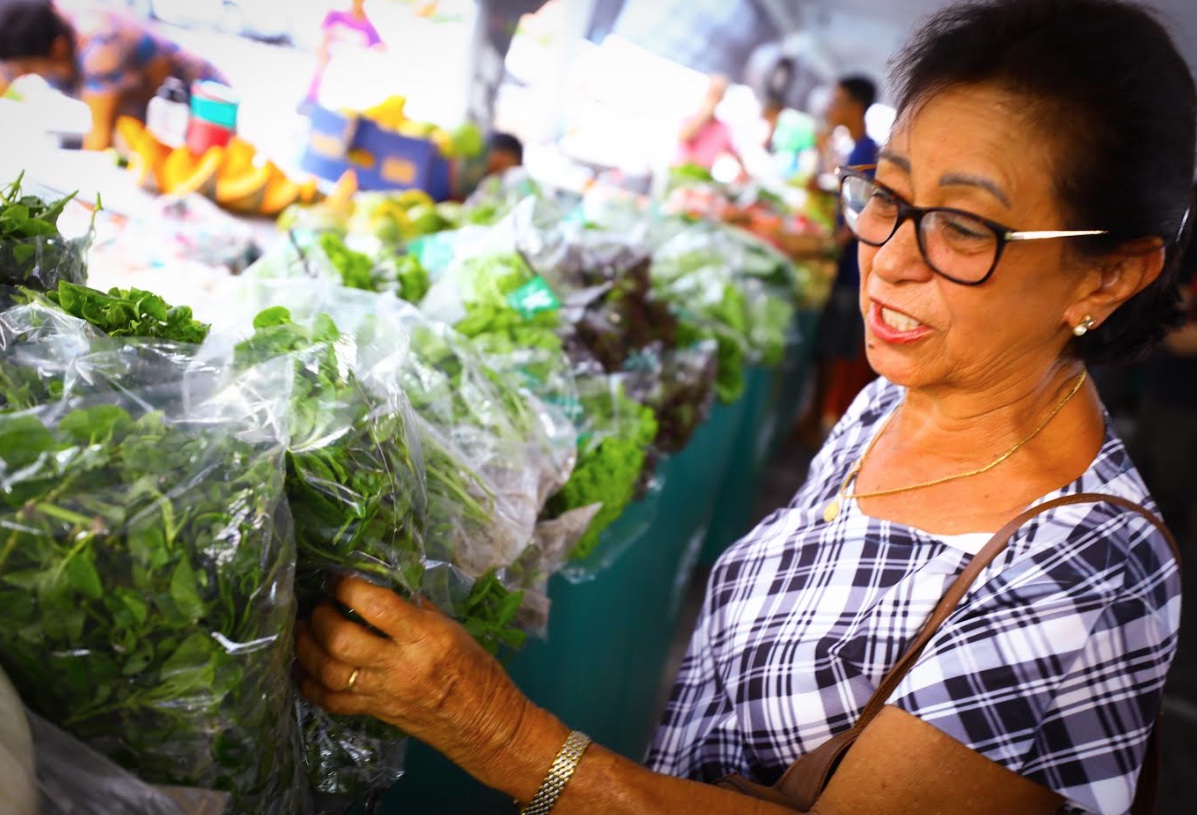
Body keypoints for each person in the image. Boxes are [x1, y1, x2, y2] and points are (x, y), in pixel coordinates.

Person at [295, 1, 1192, 813]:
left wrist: (493, 730)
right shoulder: (897, 402)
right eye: (886, 192)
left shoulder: (1081, 569)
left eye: (961, 227)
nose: (886, 256)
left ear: (1109, 273)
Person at [0, 0, 226, 150]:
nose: (17, 76)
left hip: (203, 106)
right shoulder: (21, 40)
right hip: (142, 121)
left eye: (27, 69)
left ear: (57, 48)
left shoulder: (101, 45)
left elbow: (100, 138)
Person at [804, 74, 881, 439]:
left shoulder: (866, 154)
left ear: (854, 105)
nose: (830, 109)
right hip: (845, 268)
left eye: (836, 101)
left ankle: (820, 424)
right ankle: (816, 420)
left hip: (851, 272)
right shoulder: (857, 150)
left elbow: (861, 218)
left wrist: (824, 244)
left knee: (834, 353)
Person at [1132, 208, 1197, 544]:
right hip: (1164, 388)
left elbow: (1182, 338)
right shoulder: (1187, 238)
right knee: (1145, 477)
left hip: (1185, 403)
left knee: (1172, 499)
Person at [302, 0, 384, 113]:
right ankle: (310, 101)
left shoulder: (368, 27)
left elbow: (379, 47)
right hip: (329, 58)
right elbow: (325, 36)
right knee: (319, 78)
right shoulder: (336, 15)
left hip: (345, 68)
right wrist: (323, 50)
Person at [676, 74, 745, 178]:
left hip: (702, 178)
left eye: (719, 94)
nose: (715, 97)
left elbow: (734, 153)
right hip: (679, 175)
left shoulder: (724, 128)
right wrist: (703, 117)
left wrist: (743, 170)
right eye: (713, 92)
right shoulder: (690, 118)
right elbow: (683, 137)